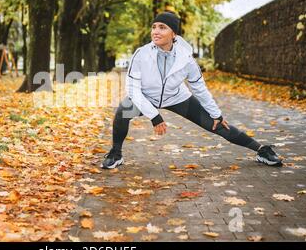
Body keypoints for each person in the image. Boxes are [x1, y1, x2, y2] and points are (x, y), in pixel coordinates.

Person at [102, 12, 283, 169]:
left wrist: (216, 114)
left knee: (217, 124)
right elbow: (132, 89)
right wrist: (154, 115)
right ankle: (116, 153)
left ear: (174, 33)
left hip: (177, 97)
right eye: (154, 27)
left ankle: (261, 150)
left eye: (162, 27)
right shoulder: (141, 54)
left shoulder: (186, 59)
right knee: (122, 111)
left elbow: (200, 88)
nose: (155, 31)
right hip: (145, 97)